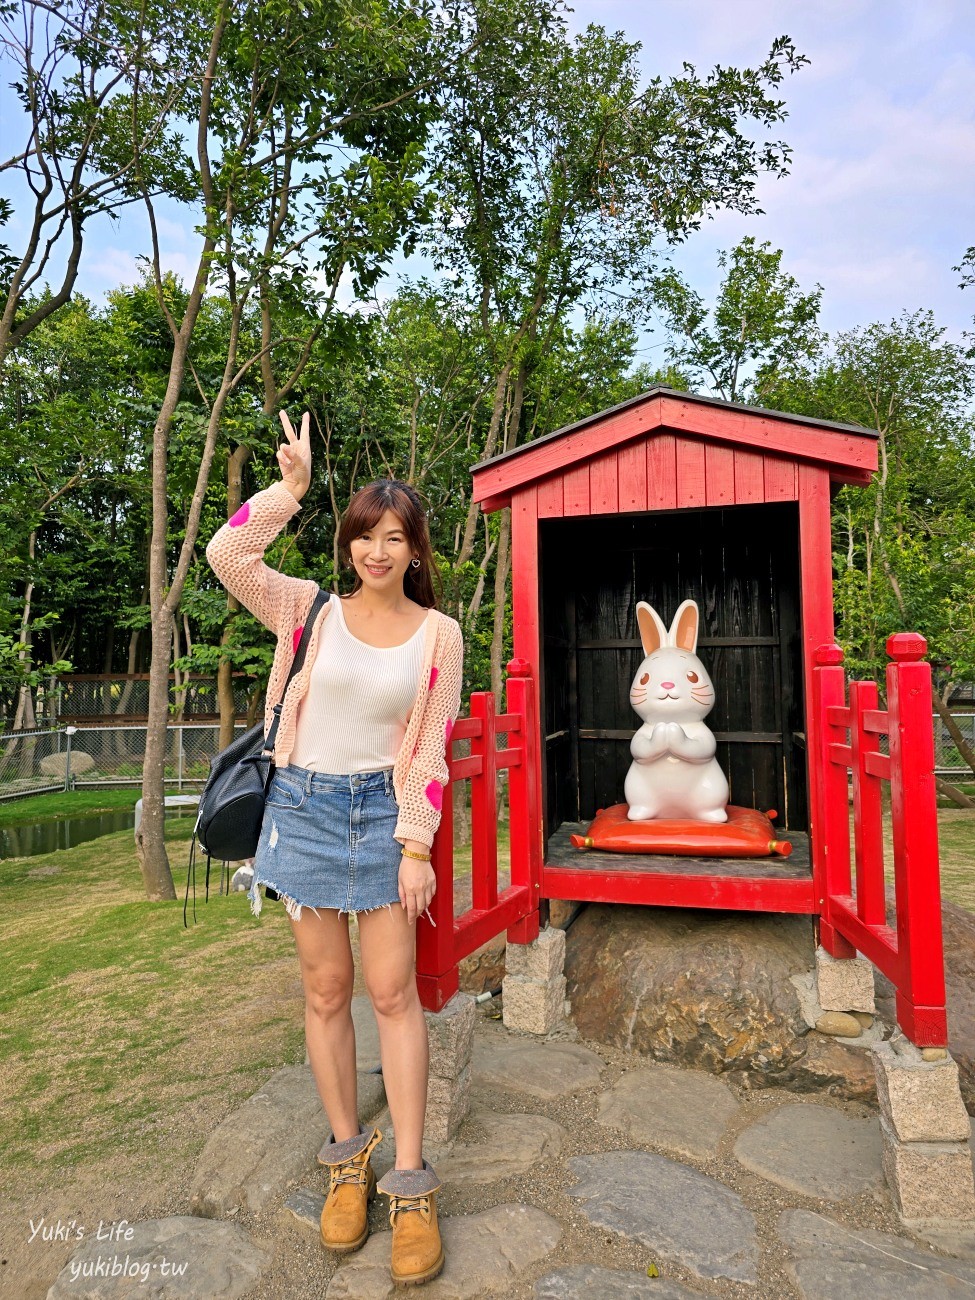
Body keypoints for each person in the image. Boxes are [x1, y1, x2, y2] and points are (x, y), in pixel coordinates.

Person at [205, 410, 463, 1287]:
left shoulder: (440, 637)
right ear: (349, 544)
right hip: (303, 811)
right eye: (364, 536)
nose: (377, 552)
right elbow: (224, 557)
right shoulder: (305, 609)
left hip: (379, 816)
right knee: (325, 992)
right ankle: (347, 1159)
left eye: (394, 538)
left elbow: (428, 746)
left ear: (416, 549)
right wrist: (287, 492)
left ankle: (413, 1181)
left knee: (392, 995)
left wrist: (415, 846)